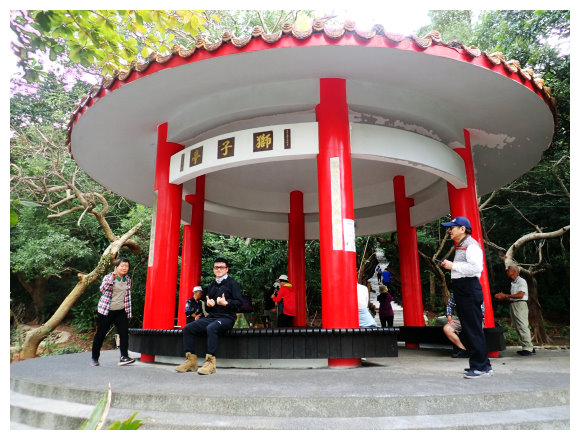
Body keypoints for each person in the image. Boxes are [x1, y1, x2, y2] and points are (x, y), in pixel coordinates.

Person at [439, 216, 493, 379]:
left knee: (473, 329)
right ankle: (484, 365)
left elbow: (476, 268)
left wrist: (453, 266)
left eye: (452, 228)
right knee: (471, 329)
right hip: (463, 289)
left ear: (462, 229)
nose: (449, 231)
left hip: (468, 288)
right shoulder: (462, 245)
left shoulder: (471, 245)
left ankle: (479, 367)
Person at [175, 258, 243, 375]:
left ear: (226, 269)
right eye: (216, 267)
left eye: (221, 267)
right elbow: (207, 307)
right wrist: (208, 305)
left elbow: (239, 303)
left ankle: (211, 364)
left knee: (211, 328)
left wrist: (226, 303)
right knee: (188, 328)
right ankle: (191, 362)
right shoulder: (212, 285)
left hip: (227, 318)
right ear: (213, 269)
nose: (219, 269)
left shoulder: (233, 284)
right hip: (212, 317)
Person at [91, 257, 135, 367]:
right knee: (101, 334)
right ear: (116, 267)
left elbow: (127, 297)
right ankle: (94, 358)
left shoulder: (127, 280)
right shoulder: (108, 277)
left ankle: (124, 356)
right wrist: (112, 279)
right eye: (122, 266)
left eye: (127, 266)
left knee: (124, 333)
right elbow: (102, 289)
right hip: (106, 311)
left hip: (120, 311)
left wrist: (128, 312)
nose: (124, 268)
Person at [494, 265, 536, 356]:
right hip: (514, 304)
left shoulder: (521, 281)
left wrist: (506, 295)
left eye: (508, 270)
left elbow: (520, 295)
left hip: (520, 304)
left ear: (514, 271)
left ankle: (528, 348)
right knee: (518, 327)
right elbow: (513, 297)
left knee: (522, 326)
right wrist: (503, 297)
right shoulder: (514, 282)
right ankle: (528, 347)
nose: (507, 271)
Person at [444, 292, 485, 358]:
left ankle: (476, 351)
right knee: (447, 328)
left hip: (475, 319)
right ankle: (463, 350)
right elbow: (450, 306)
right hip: (461, 319)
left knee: (474, 329)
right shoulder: (455, 293)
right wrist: (449, 318)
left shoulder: (475, 292)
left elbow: (481, 311)